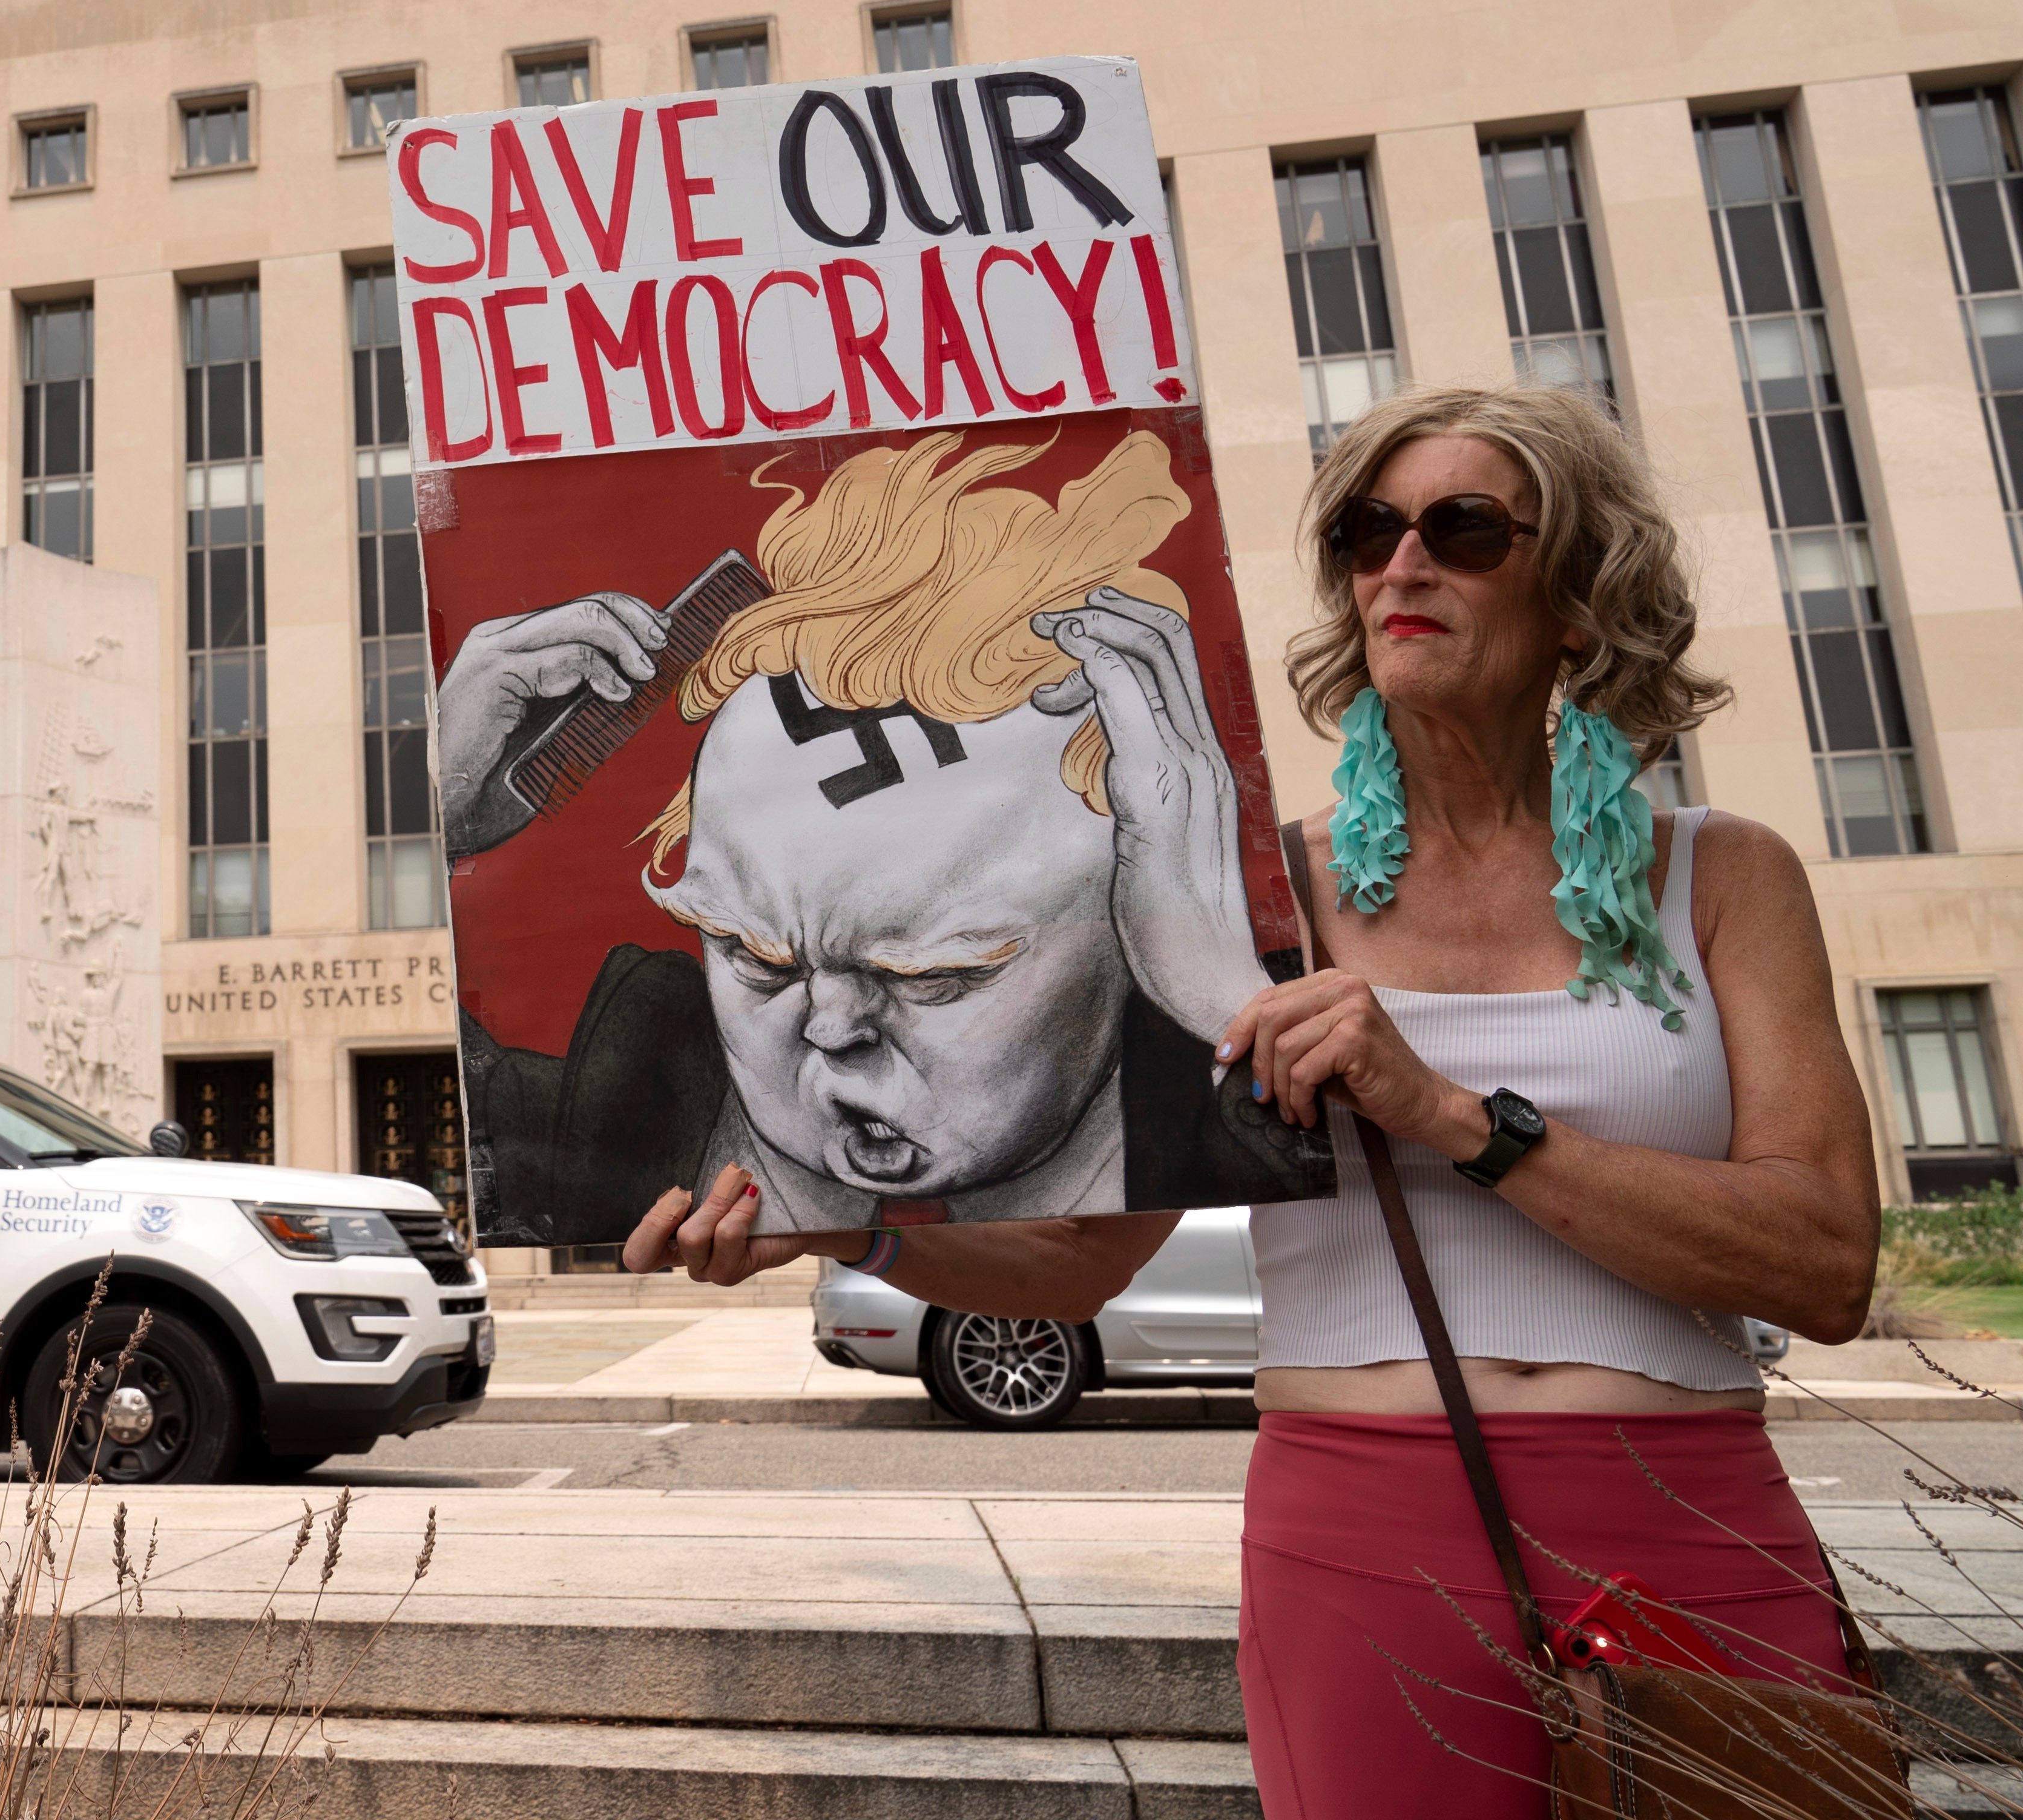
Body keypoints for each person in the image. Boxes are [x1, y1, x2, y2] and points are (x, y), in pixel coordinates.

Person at [625, 383, 1881, 1819]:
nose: (1401, 563)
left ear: (1582, 598)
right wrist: (838, 1229)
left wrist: (1461, 1116)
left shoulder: (1725, 876)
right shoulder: (1247, 899)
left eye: (1463, 529)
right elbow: (1089, 1259)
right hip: (1364, 1529)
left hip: (1692, 1510)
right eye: (1367, 531)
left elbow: (1826, 1262)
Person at [444, 427, 1326, 1242]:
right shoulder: (593, 1130)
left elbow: (1343, 1171)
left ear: (1132, 914)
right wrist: (448, 818)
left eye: (934, 975)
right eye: (755, 958)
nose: (832, 1030)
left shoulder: (1218, 1101)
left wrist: (1220, 1000)